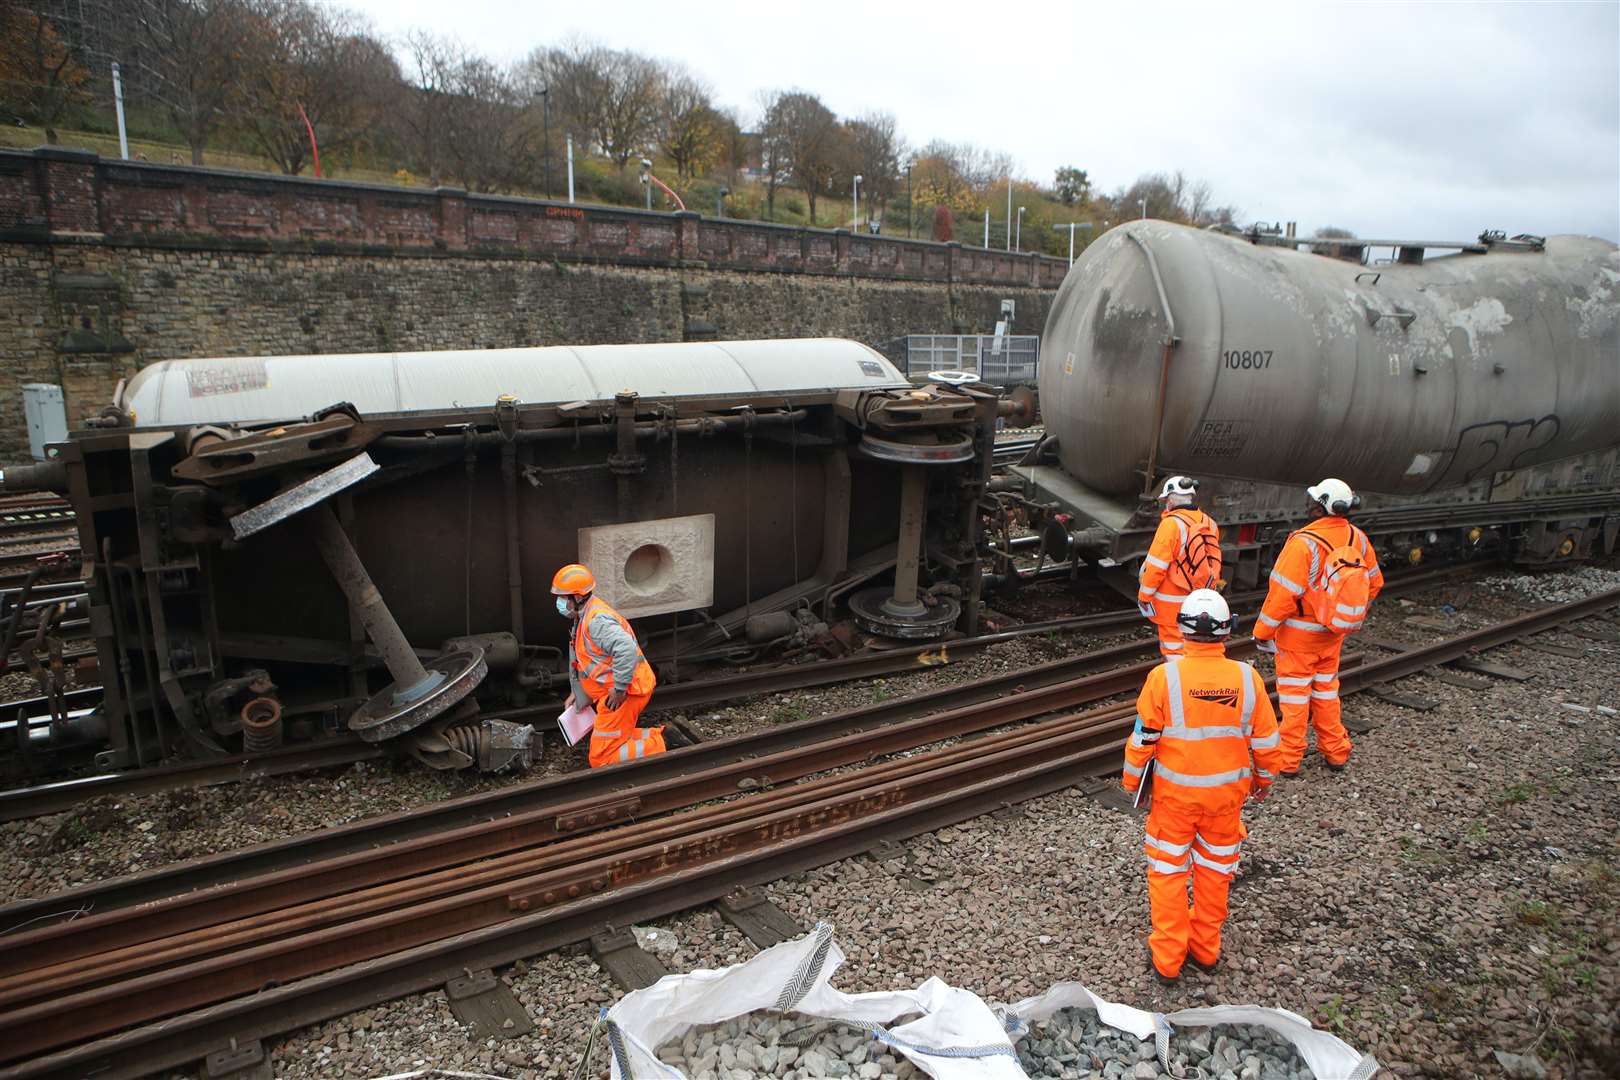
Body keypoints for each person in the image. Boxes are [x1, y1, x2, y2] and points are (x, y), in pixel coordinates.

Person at [1122, 589, 1282, 983]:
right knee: (1214, 872)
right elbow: (1266, 742)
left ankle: (1168, 960)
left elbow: (1143, 741)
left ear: (1183, 630)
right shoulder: (1248, 678)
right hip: (1226, 801)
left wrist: (1132, 783)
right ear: (1227, 631)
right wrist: (1263, 780)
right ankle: (1207, 951)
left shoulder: (1164, 678)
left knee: (1168, 873)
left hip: (1174, 802)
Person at [1251, 478, 1383, 774]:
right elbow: (1374, 583)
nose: (1308, 504)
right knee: (1326, 694)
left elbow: (1283, 595)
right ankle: (1336, 753)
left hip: (1298, 638)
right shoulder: (1357, 539)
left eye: (1312, 500)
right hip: (1332, 636)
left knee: (1295, 699)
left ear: (1320, 506)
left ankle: (1288, 761)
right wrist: (1337, 614)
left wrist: (1262, 632)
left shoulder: (1304, 543)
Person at [553, 563, 668, 768]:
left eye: (563, 597)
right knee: (612, 739)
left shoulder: (596, 621)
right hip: (615, 692)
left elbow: (625, 649)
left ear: (577, 597)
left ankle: (658, 745)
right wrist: (579, 694)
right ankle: (656, 735)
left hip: (624, 693)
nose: (560, 602)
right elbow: (591, 663)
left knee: (601, 760)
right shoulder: (584, 615)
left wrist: (620, 688)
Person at [1136, 476, 1223, 661]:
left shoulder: (1170, 524)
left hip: (1171, 603)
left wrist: (1144, 597)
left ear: (1171, 499)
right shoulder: (1210, 523)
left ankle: (1180, 685)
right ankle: (1194, 678)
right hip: (1199, 600)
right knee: (1193, 644)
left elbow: (1156, 566)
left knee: (1174, 649)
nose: (1165, 504)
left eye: (1166, 500)